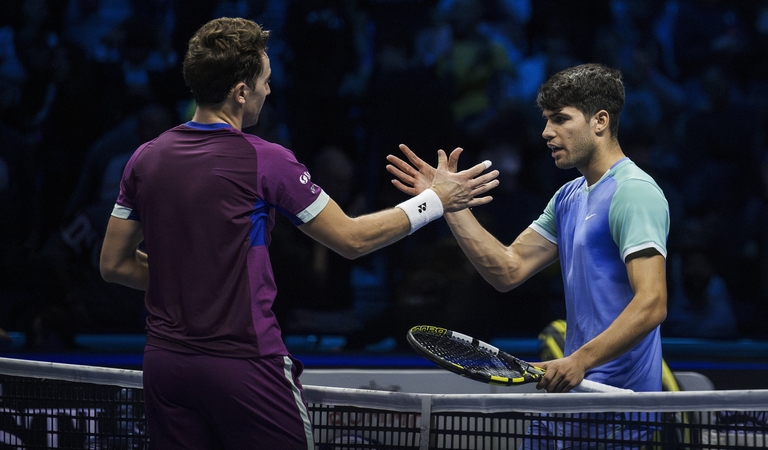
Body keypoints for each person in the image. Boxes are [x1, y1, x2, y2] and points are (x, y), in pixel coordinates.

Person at [98, 17, 498, 450]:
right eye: (265, 81)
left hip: (165, 366)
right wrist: (435, 201)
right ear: (240, 91)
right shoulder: (265, 160)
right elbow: (352, 239)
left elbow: (114, 264)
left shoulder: (145, 158)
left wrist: (190, 281)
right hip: (244, 364)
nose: (269, 91)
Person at [388, 63, 669, 447]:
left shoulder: (634, 192)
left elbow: (652, 302)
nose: (546, 132)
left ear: (600, 121)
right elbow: (507, 269)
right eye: (546, 120)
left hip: (619, 414)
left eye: (560, 120)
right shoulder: (569, 197)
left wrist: (580, 361)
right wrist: (446, 204)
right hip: (568, 407)